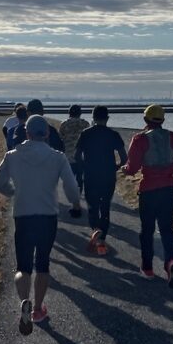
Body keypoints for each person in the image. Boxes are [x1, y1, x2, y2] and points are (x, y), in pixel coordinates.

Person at [0, 115, 81, 335]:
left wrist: (14, 193)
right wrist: (76, 204)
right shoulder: (57, 157)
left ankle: (24, 302)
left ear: (27, 133)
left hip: (22, 215)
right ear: (47, 134)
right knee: (42, 264)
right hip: (47, 216)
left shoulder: (12, 156)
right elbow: (71, 187)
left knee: (23, 267)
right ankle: (38, 309)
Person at [122, 104, 173, 288]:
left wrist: (124, 170)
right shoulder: (172, 137)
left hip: (149, 190)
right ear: (163, 120)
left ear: (145, 120)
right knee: (167, 229)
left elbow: (133, 168)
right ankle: (171, 262)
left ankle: (147, 268)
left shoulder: (140, 139)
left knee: (147, 230)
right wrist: (169, 168)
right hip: (169, 188)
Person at [75, 105, 127, 255]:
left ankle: (95, 230)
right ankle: (102, 241)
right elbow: (124, 158)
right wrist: (115, 167)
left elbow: (77, 156)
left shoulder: (85, 134)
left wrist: (84, 167)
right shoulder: (113, 134)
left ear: (93, 117)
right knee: (105, 207)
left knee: (92, 206)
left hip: (91, 175)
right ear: (107, 118)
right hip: (108, 176)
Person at [58, 104, 90, 191]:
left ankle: (71, 194)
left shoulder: (64, 124)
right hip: (81, 156)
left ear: (69, 113)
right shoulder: (85, 124)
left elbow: (60, 138)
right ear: (80, 113)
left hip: (68, 156)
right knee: (80, 176)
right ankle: (78, 193)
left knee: (69, 178)